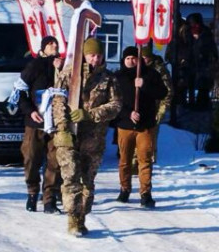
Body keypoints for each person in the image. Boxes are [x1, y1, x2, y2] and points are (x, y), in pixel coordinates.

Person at [52, 38, 121, 236]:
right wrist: (63, 128)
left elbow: (116, 106)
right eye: (91, 55)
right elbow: (58, 102)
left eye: (98, 55)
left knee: (87, 181)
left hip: (94, 138)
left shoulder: (109, 79)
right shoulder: (69, 75)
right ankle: (72, 219)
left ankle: (82, 218)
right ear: (84, 55)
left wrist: (91, 114)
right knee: (70, 176)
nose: (95, 59)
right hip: (69, 136)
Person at [114, 46, 168, 208]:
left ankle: (145, 193)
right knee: (125, 160)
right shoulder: (117, 77)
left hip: (145, 125)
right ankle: (124, 189)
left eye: (134, 58)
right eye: (128, 58)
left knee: (145, 159)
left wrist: (144, 85)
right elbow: (114, 101)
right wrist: (128, 113)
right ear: (123, 60)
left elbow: (162, 93)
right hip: (125, 125)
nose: (131, 61)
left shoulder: (151, 75)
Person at [18, 35, 63, 213]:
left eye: (56, 44)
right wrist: (30, 111)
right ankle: (32, 193)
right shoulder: (33, 66)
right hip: (36, 121)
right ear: (43, 48)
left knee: (55, 161)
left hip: (57, 122)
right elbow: (20, 91)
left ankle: (49, 199)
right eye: (50, 43)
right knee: (31, 158)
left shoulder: (64, 65)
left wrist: (60, 70)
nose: (54, 46)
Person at [141, 43, 172, 160]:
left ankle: (149, 160)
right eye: (141, 58)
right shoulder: (137, 68)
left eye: (145, 58)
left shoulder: (159, 70)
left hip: (154, 109)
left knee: (150, 136)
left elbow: (168, 92)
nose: (143, 60)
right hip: (138, 109)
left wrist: (161, 112)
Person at [185, 13, 218, 110]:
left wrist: (212, 57)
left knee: (203, 85)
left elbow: (212, 47)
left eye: (194, 23)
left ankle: (202, 104)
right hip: (191, 62)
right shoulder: (188, 33)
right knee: (190, 83)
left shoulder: (206, 33)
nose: (193, 26)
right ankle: (191, 102)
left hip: (204, 63)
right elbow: (188, 46)